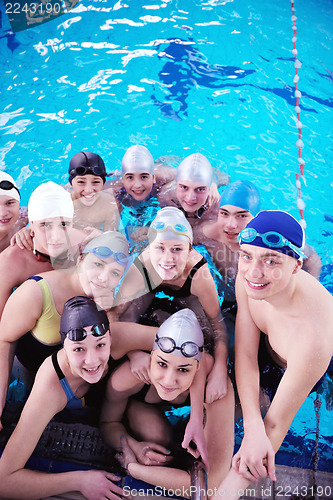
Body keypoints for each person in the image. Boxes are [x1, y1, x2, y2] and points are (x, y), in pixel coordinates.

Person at [212, 210, 333, 499]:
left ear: (296, 266)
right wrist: (253, 424)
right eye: (247, 256)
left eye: (271, 260)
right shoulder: (249, 280)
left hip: (308, 364)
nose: (254, 272)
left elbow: (276, 427)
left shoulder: (311, 341)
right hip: (272, 343)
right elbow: (245, 352)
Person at [0, 231, 129, 430]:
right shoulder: (37, 292)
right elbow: (4, 341)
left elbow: (116, 340)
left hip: (77, 384)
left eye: (115, 273)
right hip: (28, 378)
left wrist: (112, 313)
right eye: (97, 265)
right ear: (81, 258)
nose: (104, 278)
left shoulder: (110, 298)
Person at [0, 296, 123, 500]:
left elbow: (192, 350)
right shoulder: (51, 385)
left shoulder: (122, 337)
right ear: (63, 346)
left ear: (110, 338)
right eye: (78, 349)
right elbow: (4, 482)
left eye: (100, 345)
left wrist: (140, 357)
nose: (92, 360)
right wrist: (80, 481)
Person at [100, 309, 234, 495]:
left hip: (204, 379)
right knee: (158, 438)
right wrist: (131, 444)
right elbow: (108, 423)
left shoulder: (215, 383)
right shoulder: (127, 378)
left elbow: (210, 487)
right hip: (142, 404)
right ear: (151, 355)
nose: (169, 381)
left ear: (197, 367)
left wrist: (134, 469)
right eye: (162, 364)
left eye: (183, 370)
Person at [112, 206, 229, 404]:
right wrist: (134, 353)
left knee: (206, 334)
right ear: (150, 247)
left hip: (187, 293)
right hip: (149, 289)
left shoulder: (198, 273)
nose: (168, 259)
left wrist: (220, 369)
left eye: (177, 249)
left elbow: (219, 327)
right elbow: (115, 316)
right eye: (160, 247)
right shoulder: (143, 265)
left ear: (190, 249)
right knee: (129, 312)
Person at [0, 181, 89, 318]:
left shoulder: (85, 245)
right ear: (31, 225)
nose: (56, 236)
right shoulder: (9, 262)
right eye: (45, 225)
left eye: (64, 224)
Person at [196, 180, 261, 342]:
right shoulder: (208, 233)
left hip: (261, 300)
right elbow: (178, 238)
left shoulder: (266, 239)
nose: (231, 225)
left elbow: (310, 257)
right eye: (224, 214)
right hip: (228, 299)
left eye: (242, 216)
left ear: (256, 217)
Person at [104, 144, 176, 250]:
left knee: (167, 193)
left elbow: (193, 176)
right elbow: (74, 186)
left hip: (161, 169)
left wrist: (210, 188)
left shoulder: (162, 178)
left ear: (154, 178)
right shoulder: (116, 190)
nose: (137, 185)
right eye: (130, 177)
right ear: (123, 179)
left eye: (144, 177)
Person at [158, 152, 228, 229]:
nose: (190, 198)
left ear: (208, 189)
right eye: (184, 187)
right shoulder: (166, 196)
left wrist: (214, 183)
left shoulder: (216, 207)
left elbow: (225, 178)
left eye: (200, 189)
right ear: (177, 185)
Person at [68, 151, 121, 232]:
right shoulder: (61, 202)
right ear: (71, 183)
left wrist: (101, 235)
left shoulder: (110, 205)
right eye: (81, 182)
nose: (88, 190)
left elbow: (113, 238)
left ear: (103, 183)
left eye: (96, 182)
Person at [0, 171, 28, 253]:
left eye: (9, 203)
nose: (2, 213)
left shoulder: (22, 215)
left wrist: (32, 228)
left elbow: (58, 197)